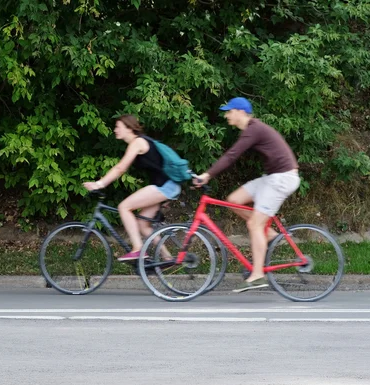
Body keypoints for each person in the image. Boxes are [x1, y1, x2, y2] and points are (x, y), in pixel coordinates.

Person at [195, 97, 300, 292]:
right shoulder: (252, 129)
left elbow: (232, 155)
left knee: (254, 224)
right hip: (273, 178)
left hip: (283, 179)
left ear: (240, 112)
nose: (227, 115)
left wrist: (208, 175)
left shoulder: (254, 129)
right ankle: (268, 234)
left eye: (229, 111)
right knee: (234, 200)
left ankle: (258, 275)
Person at [83, 115, 181, 261]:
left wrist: (99, 184)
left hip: (165, 186)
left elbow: (121, 168)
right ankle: (168, 258)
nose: (115, 130)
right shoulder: (140, 142)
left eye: (118, 127)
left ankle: (138, 249)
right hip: (167, 186)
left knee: (124, 207)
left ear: (129, 128)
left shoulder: (138, 142)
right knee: (143, 224)